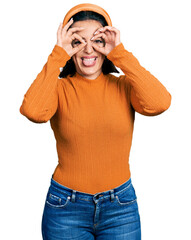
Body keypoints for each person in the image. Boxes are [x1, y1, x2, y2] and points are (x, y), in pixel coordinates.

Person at [19, 3, 171, 240]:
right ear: (69, 47)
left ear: (107, 46)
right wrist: (57, 54)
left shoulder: (123, 87)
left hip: (120, 208)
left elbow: (160, 103)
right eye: (78, 41)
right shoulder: (59, 89)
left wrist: (119, 53)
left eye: (98, 41)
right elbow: (33, 111)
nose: (88, 50)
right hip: (65, 207)